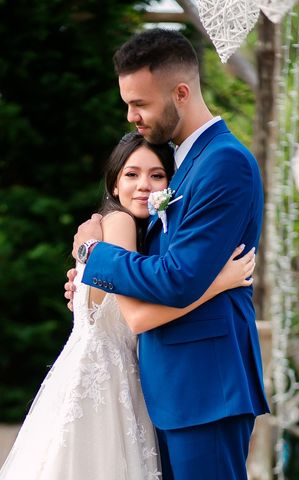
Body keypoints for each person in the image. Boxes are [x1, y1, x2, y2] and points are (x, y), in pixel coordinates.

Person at [69, 29, 270, 479]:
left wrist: (94, 258)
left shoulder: (225, 163)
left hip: (206, 387)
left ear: (181, 92)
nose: (131, 115)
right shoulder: (185, 164)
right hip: (173, 388)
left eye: (140, 103)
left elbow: (178, 277)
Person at [0, 132, 255, 479]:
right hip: (105, 384)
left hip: (108, 377)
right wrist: (220, 282)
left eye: (157, 175)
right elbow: (136, 318)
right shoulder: (120, 224)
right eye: (131, 175)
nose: (143, 185)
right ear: (114, 185)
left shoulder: (130, 231)